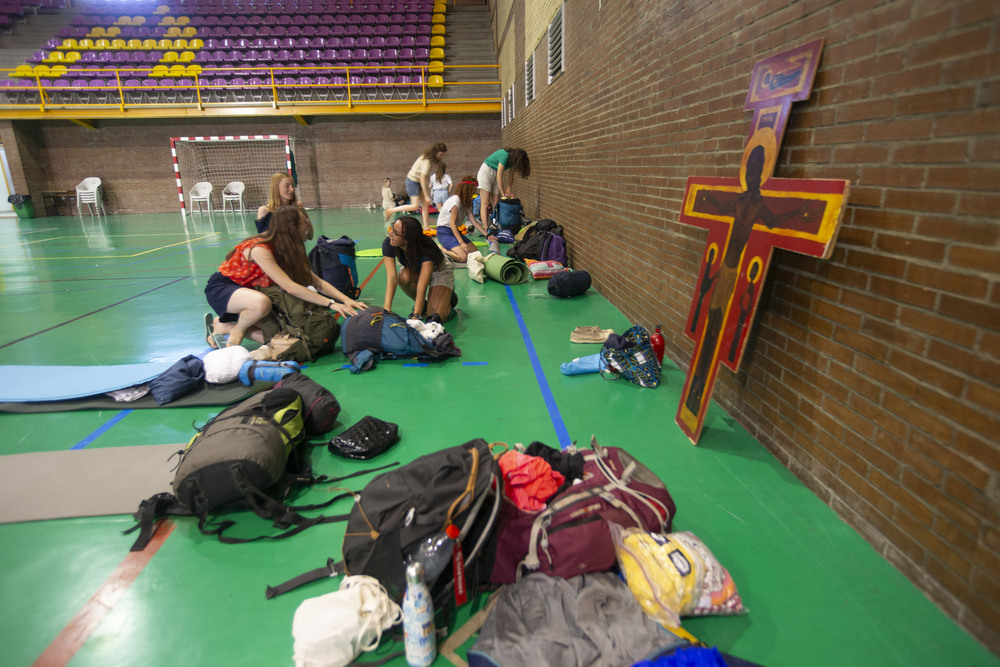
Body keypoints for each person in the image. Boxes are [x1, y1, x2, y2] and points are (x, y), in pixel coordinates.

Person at [205, 205, 366, 348]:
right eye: (305, 221)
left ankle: (224, 326)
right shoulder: (260, 248)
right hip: (224, 289)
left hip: (251, 293)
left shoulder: (286, 249)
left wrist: (346, 300)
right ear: (291, 227)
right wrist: (330, 304)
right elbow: (290, 287)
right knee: (262, 304)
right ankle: (237, 330)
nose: (308, 223)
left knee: (281, 339)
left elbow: (315, 281)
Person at [382, 215, 457, 323]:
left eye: (395, 232)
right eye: (392, 228)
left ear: (407, 238)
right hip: (416, 269)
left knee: (434, 317)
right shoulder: (389, 243)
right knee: (403, 276)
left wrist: (416, 315)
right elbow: (392, 278)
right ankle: (424, 305)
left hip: (439, 270)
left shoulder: (426, 249)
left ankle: (449, 298)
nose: (390, 234)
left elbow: (422, 284)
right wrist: (387, 310)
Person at [384, 142, 447, 231]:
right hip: (412, 181)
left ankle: (426, 226)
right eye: (440, 155)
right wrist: (426, 195)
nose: (441, 157)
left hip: (416, 181)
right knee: (415, 206)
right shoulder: (427, 161)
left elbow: (424, 175)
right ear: (435, 152)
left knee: (425, 203)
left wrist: (429, 182)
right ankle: (391, 210)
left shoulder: (427, 158)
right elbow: (422, 178)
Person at [476, 148, 530, 233]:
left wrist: (509, 188)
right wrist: (503, 195)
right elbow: (499, 178)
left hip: (495, 174)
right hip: (486, 172)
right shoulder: (504, 155)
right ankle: (486, 228)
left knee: (497, 203)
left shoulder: (512, 161)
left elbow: (511, 177)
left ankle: (496, 225)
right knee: (485, 203)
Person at [436, 176, 483, 263]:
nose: (475, 191)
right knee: (463, 258)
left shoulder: (466, 202)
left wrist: (487, 234)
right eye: (474, 189)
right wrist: (461, 242)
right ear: (469, 189)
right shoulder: (455, 202)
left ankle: (454, 249)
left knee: (476, 254)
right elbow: (452, 223)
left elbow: (474, 221)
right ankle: (442, 249)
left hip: (454, 231)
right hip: (444, 232)